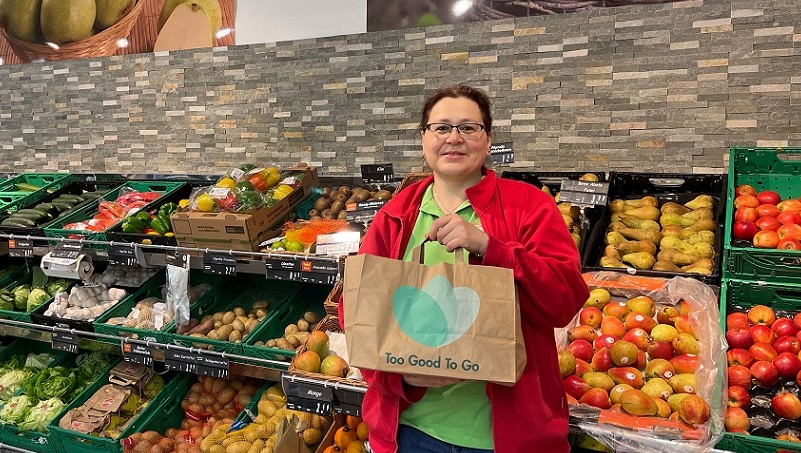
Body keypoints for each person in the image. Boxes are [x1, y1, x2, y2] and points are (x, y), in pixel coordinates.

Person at [339, 84, 589, 452]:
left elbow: (565, 300)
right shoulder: (396, 216)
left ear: (487, 140)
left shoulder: (528, 206)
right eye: (441, 128)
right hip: (412, 431)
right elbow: (356, 310)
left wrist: (493, 248)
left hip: (509, 435)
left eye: (469, 128)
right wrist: (401, 376)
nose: (454, 138)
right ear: (423, 140)